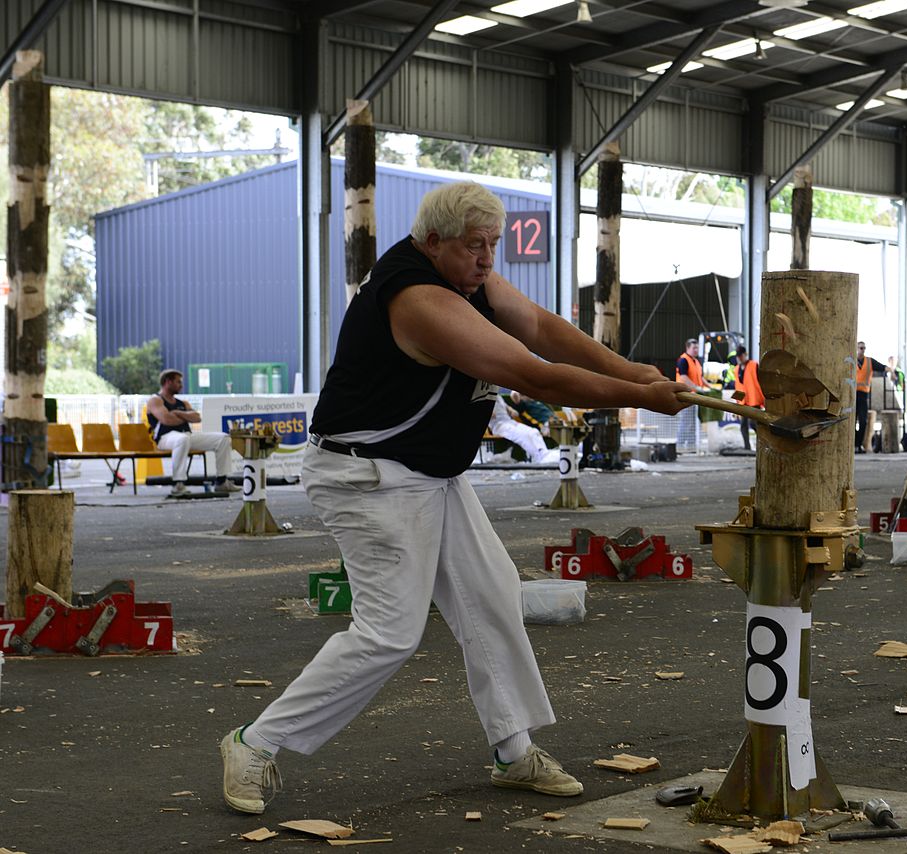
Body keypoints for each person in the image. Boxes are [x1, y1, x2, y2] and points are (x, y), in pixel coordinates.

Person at [219, 181, 688, 815]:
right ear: (432, 241)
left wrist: (636, 373)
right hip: (368, 477)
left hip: (430, 473)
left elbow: (544, 329)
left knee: (492, 595)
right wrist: (637, 396)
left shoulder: (473, 281)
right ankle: (255, 742)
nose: (488, 260)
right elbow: (531, 371)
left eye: (494, 245)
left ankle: (513, 750)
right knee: (390, 632)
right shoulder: (417, 300)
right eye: (475, 246)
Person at [145, 369, 234, 496]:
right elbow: (166, 420)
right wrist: (185, 416)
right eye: (178, 382)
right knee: (182, 439)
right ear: (167, 382)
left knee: (223, 438)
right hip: (165, 438)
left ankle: (222, 482)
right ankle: (178, 484)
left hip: (187, 436)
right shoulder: (155, 400)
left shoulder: (182, 403)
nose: (181, 385)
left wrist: (178, 413)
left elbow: (197, 417)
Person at [489, 397, 557, 463]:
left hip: (510, 422)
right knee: (523, 435)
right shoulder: (486, 397)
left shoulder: (499, 397)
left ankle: (544, 453)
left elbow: (510, 410)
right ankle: (537, 457)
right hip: (499, 426)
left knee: (533, 431)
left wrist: (512, 411)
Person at [854, 342, 886, 454]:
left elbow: (882, 367)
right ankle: (853, 445)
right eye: (860, 348)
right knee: (852, 422)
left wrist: (892, 371)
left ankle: (858, 445)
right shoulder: (851, 360)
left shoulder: (869, 361)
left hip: (863, 396)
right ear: (856, 348)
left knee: (863, 421)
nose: (862, 350)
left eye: (864, 348)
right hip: (852, 396)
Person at [675, 338, 707, 449]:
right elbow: (683, 377)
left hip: (694, 396)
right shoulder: (683, 360)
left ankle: (691, 446)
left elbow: (700, 377)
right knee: (686, 422)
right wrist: (696, 387)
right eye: (694, 348)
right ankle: (679, 446)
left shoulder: (696, 362)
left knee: (693, 423)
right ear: (687, 348)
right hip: (686, 395)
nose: (696, 350)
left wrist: (710, 387)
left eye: (697, 347)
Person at [734, 345, 764, 451]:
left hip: (754, 399)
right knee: (743, 425)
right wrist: (737, 401)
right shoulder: (736, 369)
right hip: (743, 401)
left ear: (745, 354)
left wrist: (763, 399)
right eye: (738, 356)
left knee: (754, 424)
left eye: (741, 356)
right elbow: (738, 386)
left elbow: (760, 382)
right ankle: (747, 447)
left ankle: (762, 444)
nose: (739, 358)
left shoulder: (754, 365)